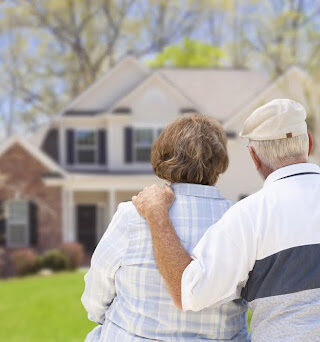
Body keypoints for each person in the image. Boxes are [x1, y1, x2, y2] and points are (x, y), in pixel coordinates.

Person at [132, 99, 320, 342]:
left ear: (254, 157)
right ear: (309, 144)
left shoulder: (249, 217)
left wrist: (156, 213)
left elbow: (189, 292)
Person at [81, 114, 250, 341]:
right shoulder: (241, 220)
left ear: (163, 158)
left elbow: (96, 294)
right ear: (219, 163)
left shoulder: (132, 215)